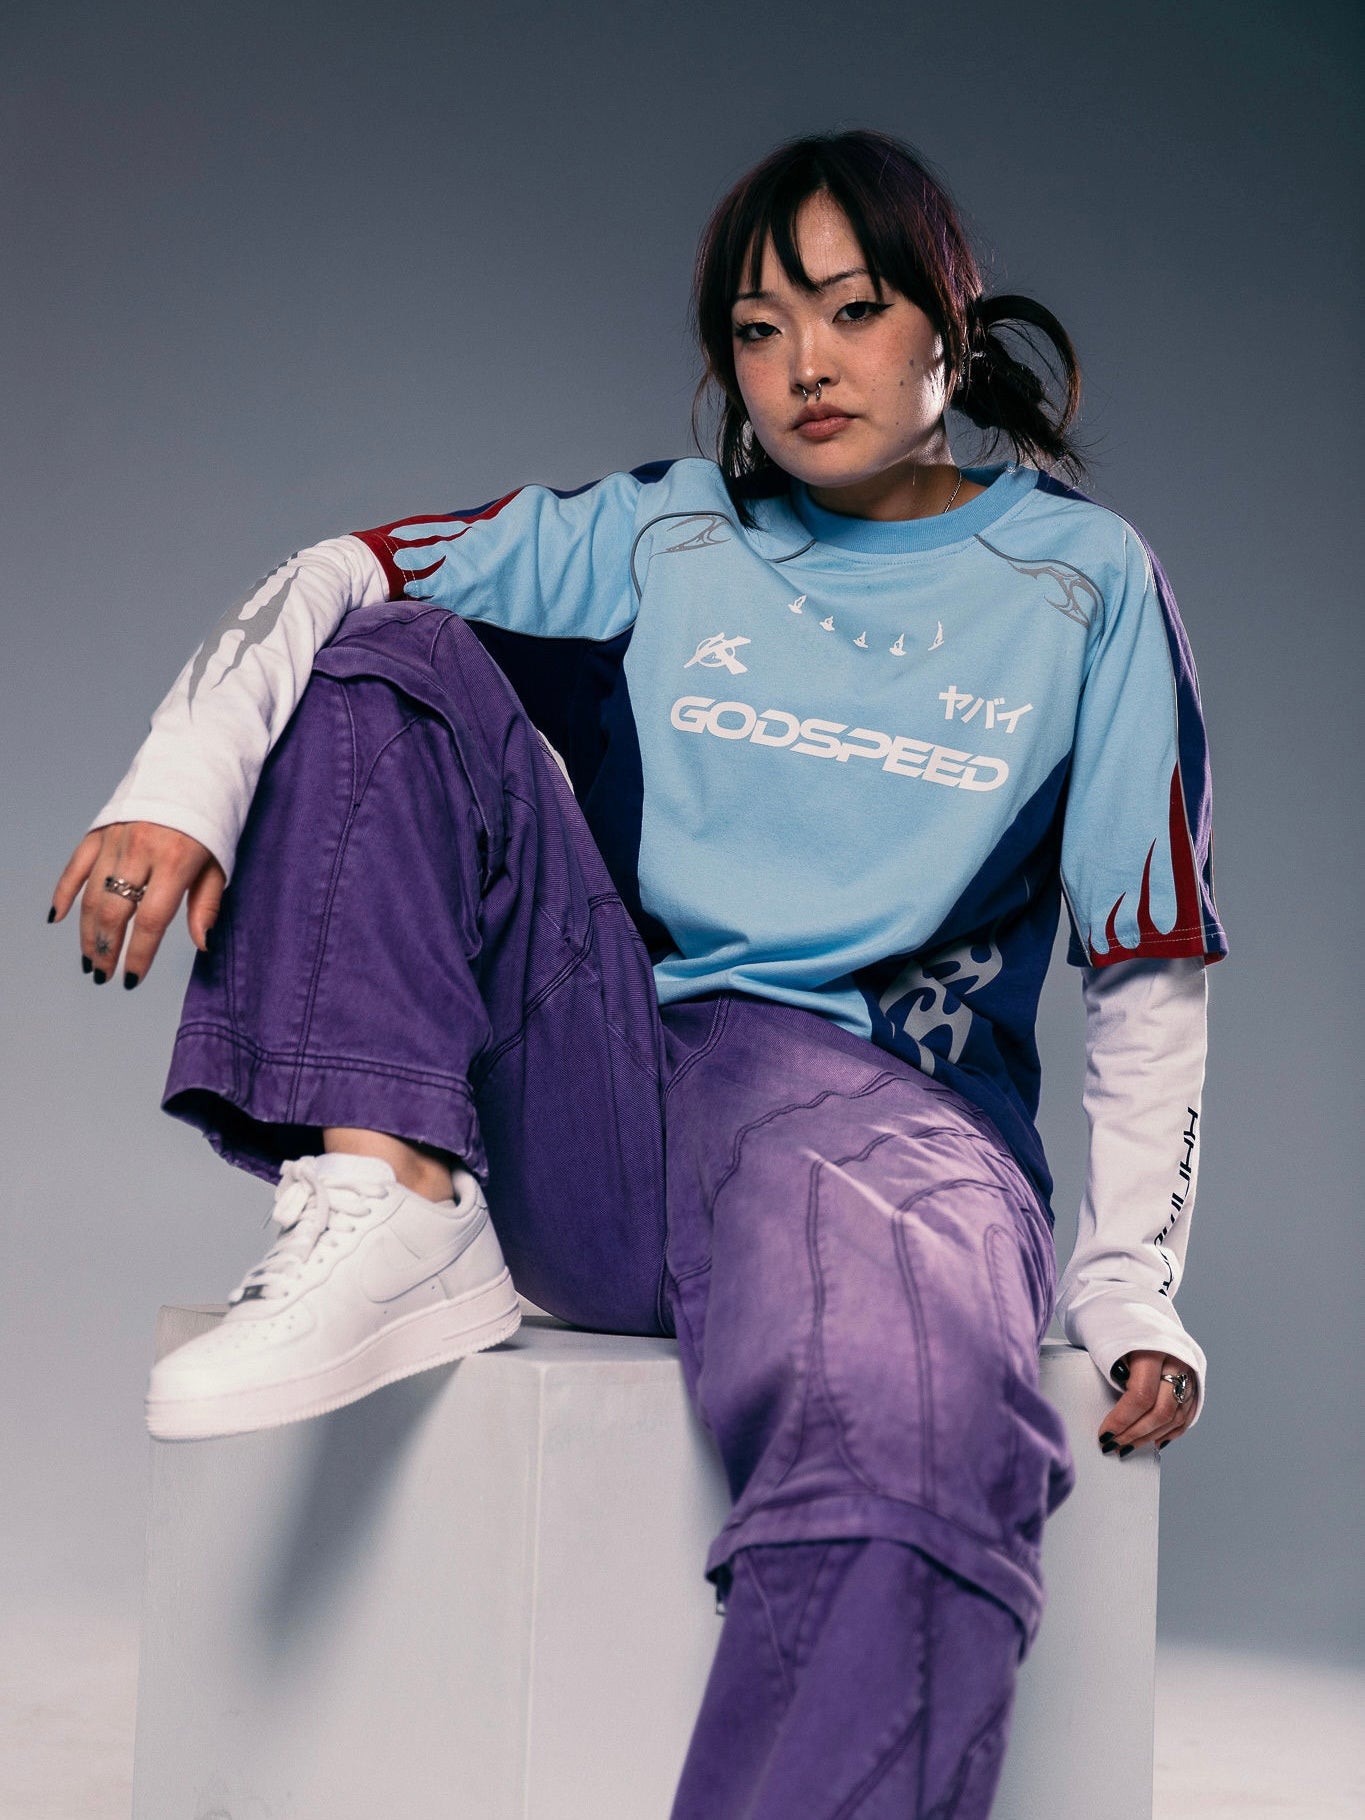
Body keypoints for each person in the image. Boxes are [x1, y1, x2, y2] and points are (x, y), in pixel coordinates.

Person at [49, 127, 1226, 1817]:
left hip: (877, 1122)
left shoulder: (1081, 583)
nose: (803, 365)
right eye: (757, 329)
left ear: (947, 328)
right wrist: (181, 783)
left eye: (851, 309)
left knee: (919, 1447)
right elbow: (342, 573)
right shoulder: (667, 533)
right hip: (602, 1098)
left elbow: (1146, 959)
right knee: (386, 657)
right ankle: (390, 1188)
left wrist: (1127, 1283)